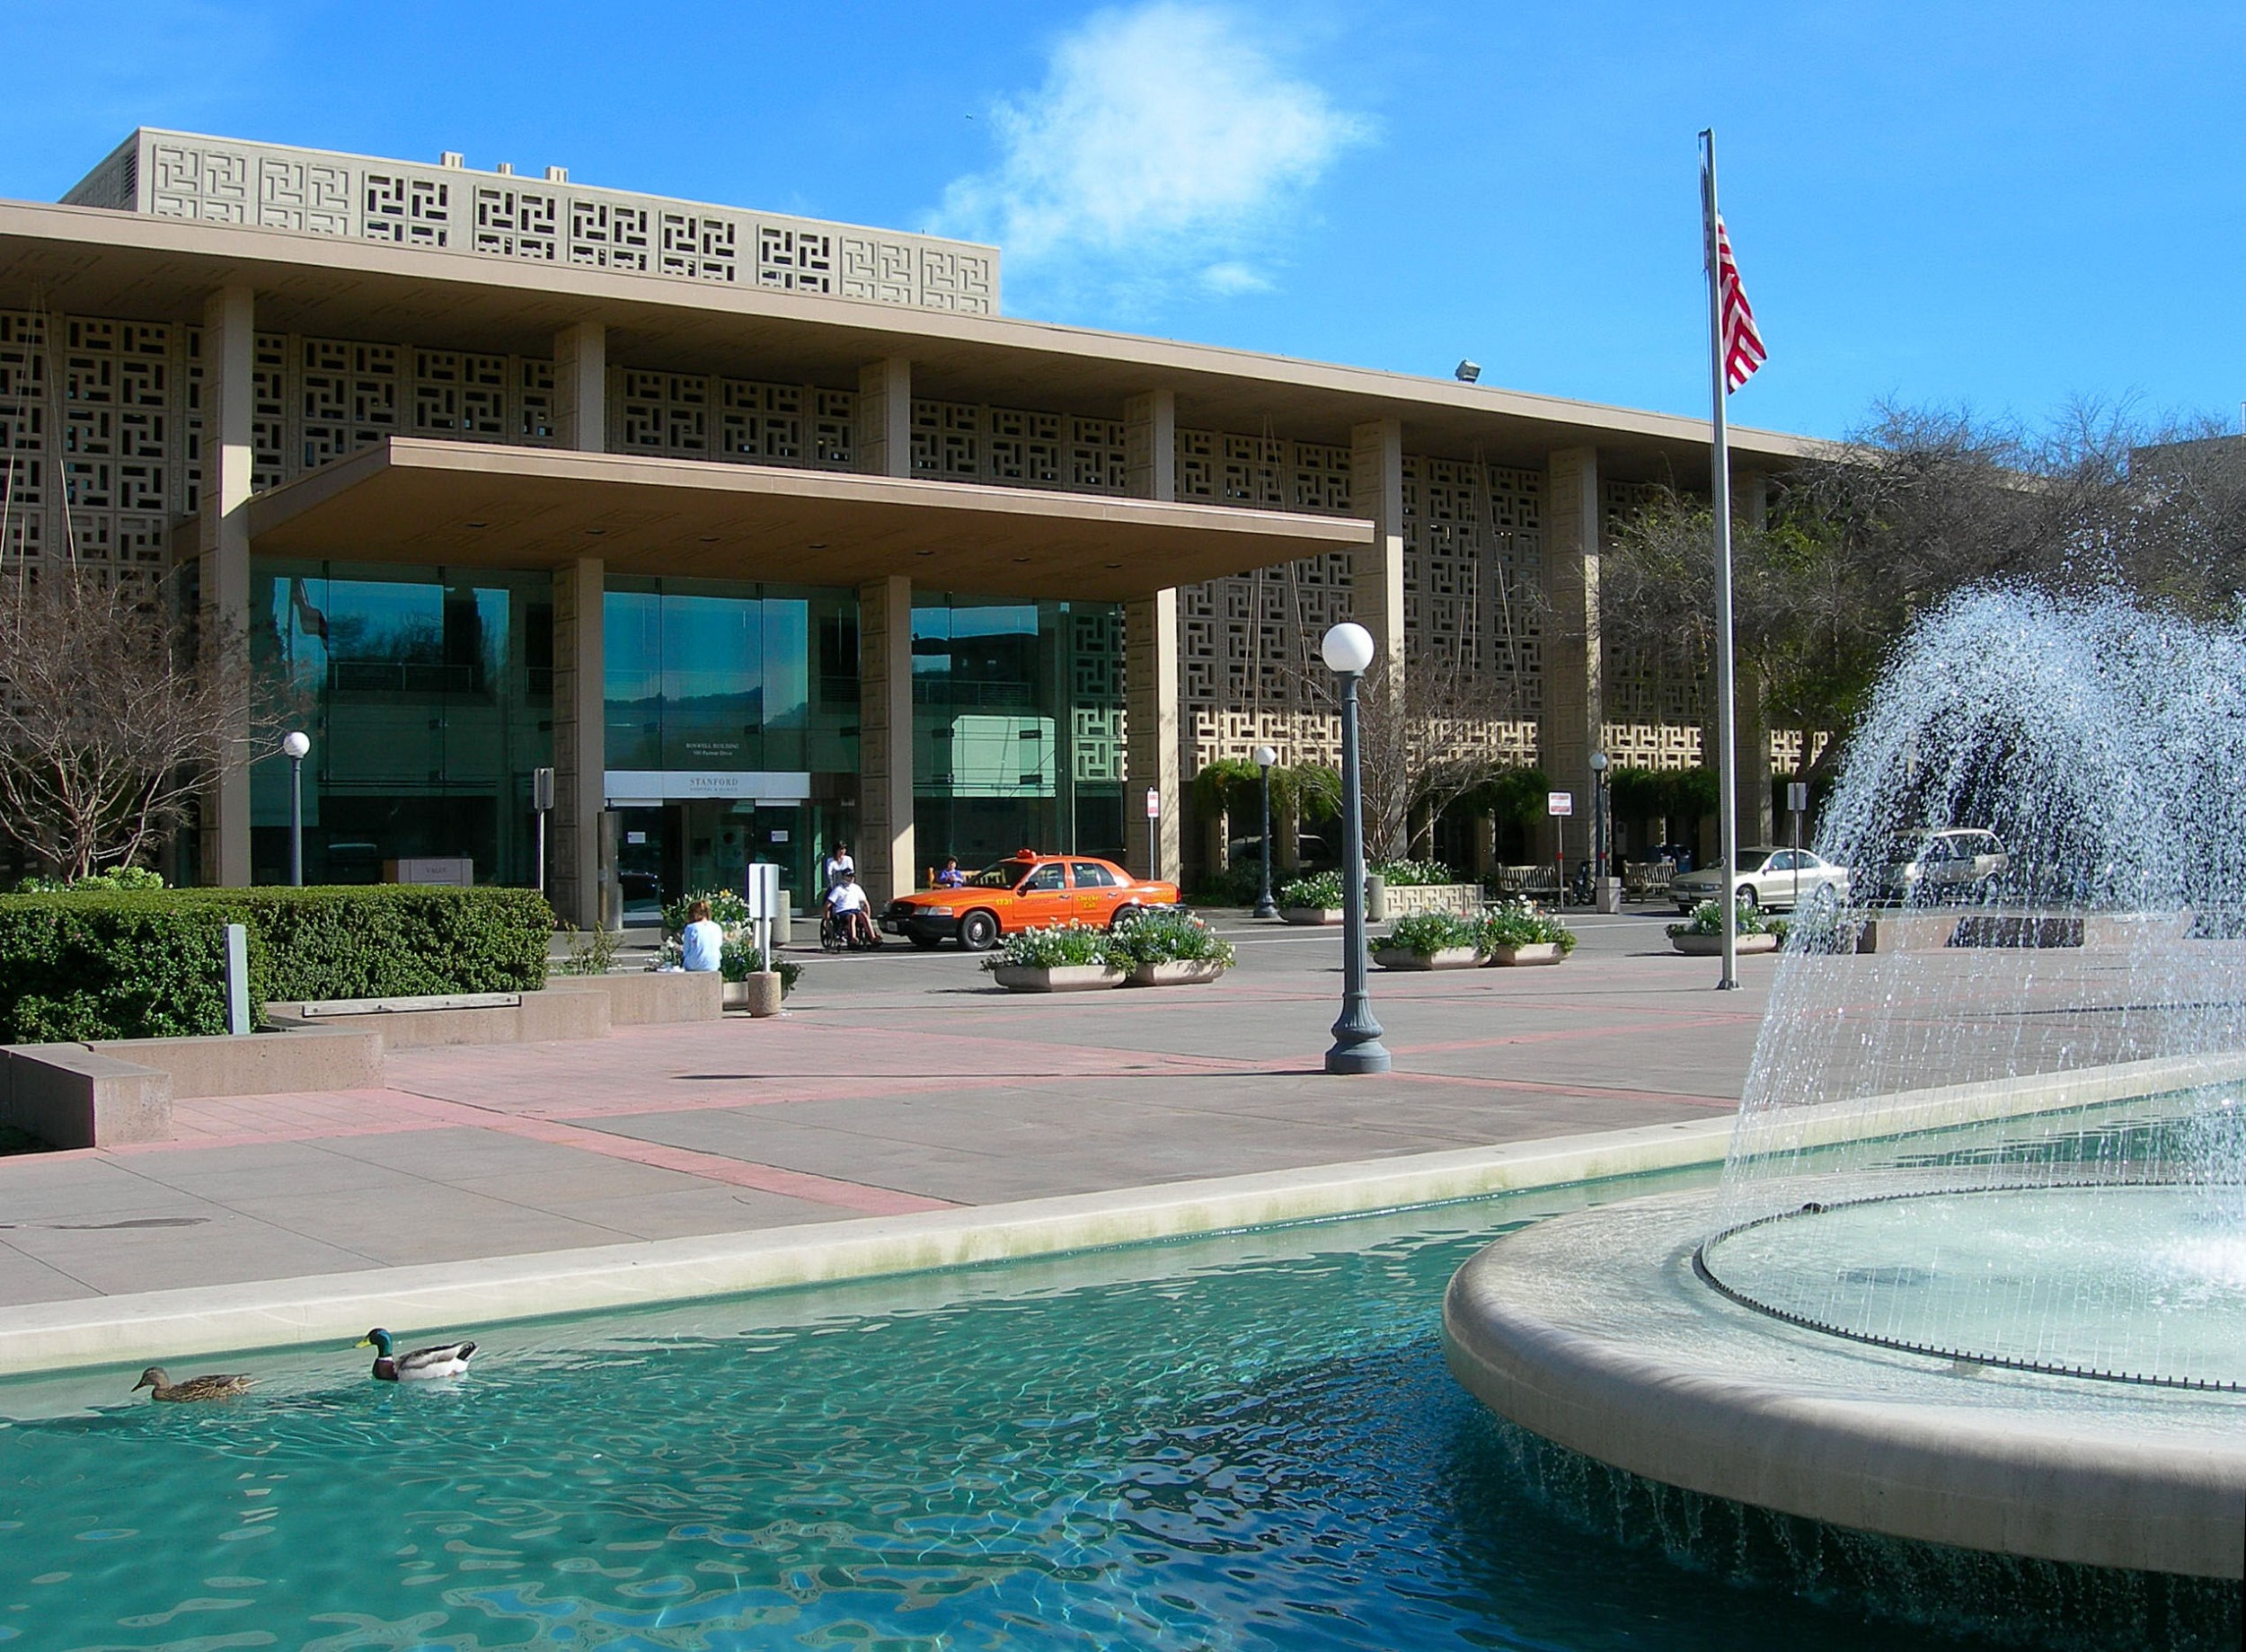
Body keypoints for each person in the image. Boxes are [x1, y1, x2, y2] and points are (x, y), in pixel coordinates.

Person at [826, 869, 878, 947]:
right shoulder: (838, 889)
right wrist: (827, 917)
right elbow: (828, 904)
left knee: (863, 915)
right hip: (842, 911)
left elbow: (865, 902)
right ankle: (853, 938)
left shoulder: (857, 888)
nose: (851, 878)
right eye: (849, 876)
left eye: (852, 876)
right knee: (852, 917)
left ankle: (873, 937)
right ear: (844, 877)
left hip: (855, 909)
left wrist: (868, 915)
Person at [679, 898, 724, 973]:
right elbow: (718, 945)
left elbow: (686, 951)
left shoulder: (691, 928)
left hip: (694, 964)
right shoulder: (717, 927)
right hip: (713, 964)